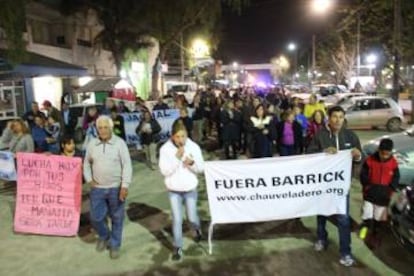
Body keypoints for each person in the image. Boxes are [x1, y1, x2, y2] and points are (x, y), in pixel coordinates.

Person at [306, 105, 363, 267]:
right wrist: (323, 152)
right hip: (323, 185)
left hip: (341, 187)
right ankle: (322, 239)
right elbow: (309, 155)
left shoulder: (351, 136)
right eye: (334, 117)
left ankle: (346, 252)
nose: (338, 120)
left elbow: (360, 157)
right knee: (322, 213)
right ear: (329, 119)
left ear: (344, 118)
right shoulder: (320, 135)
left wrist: (358, 156)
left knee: (343, 218)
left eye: (341, 116)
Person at [83, 115, 132, 259]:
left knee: (117, 218)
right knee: (96, 218)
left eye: (105, 127)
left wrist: (125, 185)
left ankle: (115, 244)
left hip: (116, 188)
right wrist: (89, 179)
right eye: (100, 128)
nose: (103, 130)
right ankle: (104, 236)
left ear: (111, 128)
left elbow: (127, 165)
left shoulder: (120, 143)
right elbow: (86, 163)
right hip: (97, 189)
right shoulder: (92, 144)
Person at [159, 119, 204, 261]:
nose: (180, 140)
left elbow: (201, 168)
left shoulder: (194, 147)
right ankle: (177, 247)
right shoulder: (165, 149)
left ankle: (196, 228)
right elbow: (165, 171)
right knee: (177, 219)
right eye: (177, 136)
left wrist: (191, 164)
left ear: (187, 135)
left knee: (191, 217)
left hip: (190, 189)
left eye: (183, 136)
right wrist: (176, 159)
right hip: (174, 191)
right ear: (172, 136)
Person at [359, 138, 399, 245]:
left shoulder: (394, 163)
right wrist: (367, 186)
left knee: (378, 217)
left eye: (387, 154)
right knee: (367, 214)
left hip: (383, 197)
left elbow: (396, 177)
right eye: (382, 153)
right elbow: (363, 175)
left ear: (390, 152)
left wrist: (390, 189)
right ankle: (365, 228)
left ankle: (375, 234)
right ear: (379, 150)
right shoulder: (369, 160)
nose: (384, 156)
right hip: (369, 195)